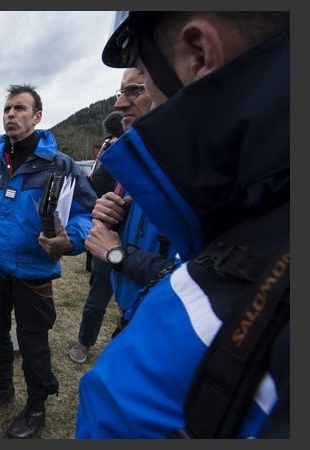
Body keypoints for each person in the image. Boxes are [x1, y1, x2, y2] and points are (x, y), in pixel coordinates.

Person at [76, 11, 289, 438]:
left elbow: (180, 269)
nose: (120, 104)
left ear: (198, 53)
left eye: (137, 80)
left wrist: (115, 252)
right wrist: (104, 216)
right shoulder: (174, 179)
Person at [0, 84, 96, 439]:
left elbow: (86, 214)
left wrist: (71, 239)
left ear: (37, 117)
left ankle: (36, 407)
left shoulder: (59, 166)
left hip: (34, 271)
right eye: (7, 109)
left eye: (19, 108)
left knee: (32, 344)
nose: (11, 115)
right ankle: (2, 387)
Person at [68, 76, 164, 365]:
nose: (120, 102)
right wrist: (111, 209)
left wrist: (117, 254)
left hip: (155, 313)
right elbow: (101, 193)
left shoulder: (187, 166)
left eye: (133, 91)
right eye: (122, 92)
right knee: (98, 299)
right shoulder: (130, 157)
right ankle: (85, 341)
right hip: (113, 248)